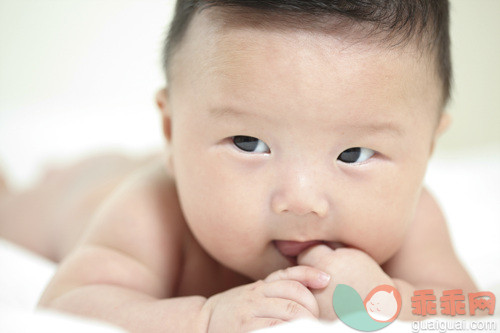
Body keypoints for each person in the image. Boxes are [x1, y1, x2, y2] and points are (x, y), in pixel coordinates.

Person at [0, 0, 477, 332]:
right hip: (87, 195)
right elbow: (66, 304)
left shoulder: (415, 219)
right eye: (248, 143)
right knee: (26, 207)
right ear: (171, 130)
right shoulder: (149, 212)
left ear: (428, 148)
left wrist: (389, 298)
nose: (301, 200)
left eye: (352, 155)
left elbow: (474, 311)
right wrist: (204, 321)